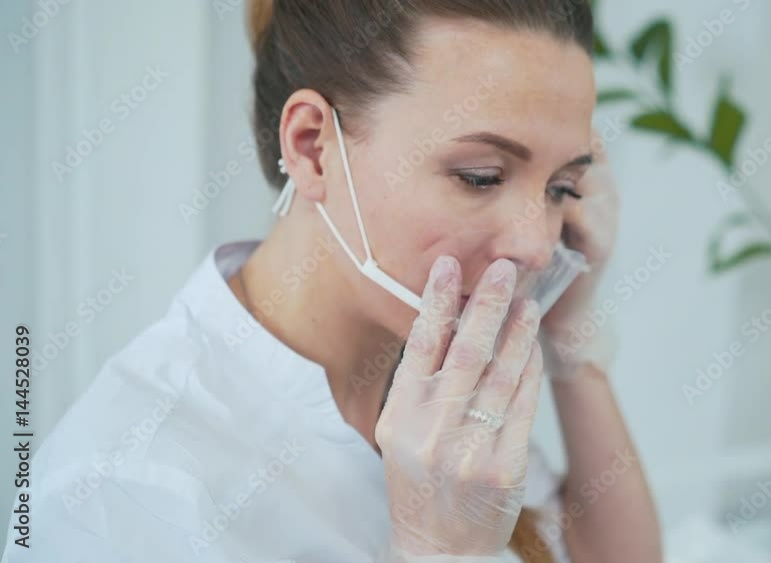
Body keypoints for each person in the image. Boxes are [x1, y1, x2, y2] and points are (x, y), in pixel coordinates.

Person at [3, 1, 662, 561]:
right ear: (312, 147)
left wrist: (570, 334)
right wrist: (441, 550)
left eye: (561, 187)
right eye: (481, 176)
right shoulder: (123, 490)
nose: (538, 244)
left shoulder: (428, 363)